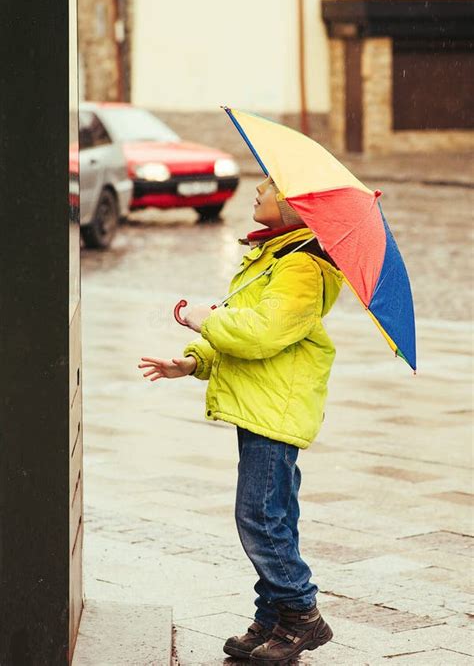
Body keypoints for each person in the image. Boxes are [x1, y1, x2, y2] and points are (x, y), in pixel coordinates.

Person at [138, 175, 344, 664]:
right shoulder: (272, 257)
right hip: (261, 405)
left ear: (295, 204)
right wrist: (193, 361)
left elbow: (260, 334)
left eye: (269, 185)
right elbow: (239, 327)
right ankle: (273, 614)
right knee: (276, 516)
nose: (257, 190)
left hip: (276, 411)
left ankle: (301, 613)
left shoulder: (302, 268)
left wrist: (200, 317)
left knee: (258, 516)